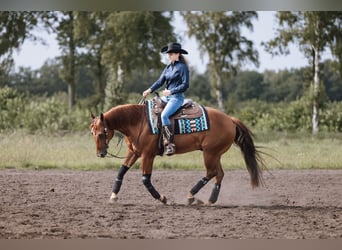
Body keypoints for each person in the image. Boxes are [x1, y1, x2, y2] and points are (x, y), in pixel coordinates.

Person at [143, 42, 190, 156]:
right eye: (168, 54)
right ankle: (155, 139)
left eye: (171, 53)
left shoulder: (183, 67)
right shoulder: (168, 67)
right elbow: (160, 82)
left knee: (164, 115)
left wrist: (171, 91)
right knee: (150, 108)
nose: (168, 56)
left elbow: (185, 85)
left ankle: (169, 144)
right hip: (167, 97)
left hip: (176, 98)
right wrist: (150, 89)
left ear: (177, 54)